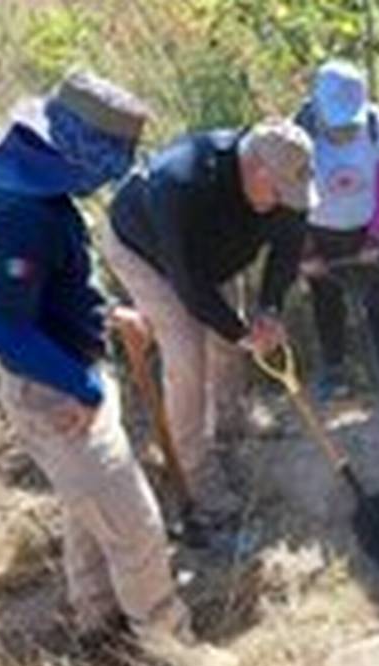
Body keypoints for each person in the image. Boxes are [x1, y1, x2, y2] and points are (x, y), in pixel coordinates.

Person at [0, 71, 236, 666]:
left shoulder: (25, 184)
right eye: (110, 162)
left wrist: (106, 316)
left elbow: (43, 293)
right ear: (76, 150)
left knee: (89, 511)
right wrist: (82, 386)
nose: (113, 177)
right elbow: (6, 331)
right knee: (135, 527)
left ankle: (96, 619)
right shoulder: (17, 215)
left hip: (69, 368)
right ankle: (171, 649)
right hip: (57, 394)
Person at [105, 117, 315, 530]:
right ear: (255, 169)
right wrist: (241, 332)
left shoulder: (285, 176)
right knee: (187, 354)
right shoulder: (181, 183)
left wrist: (268, 310)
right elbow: (188, 283)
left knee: (228, 342)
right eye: (279, 194)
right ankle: (196, 476)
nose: (287, 203)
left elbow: (287, 250)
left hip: (212, 254)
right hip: (147, 252)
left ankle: (230, 421)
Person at [294, 59, 379, 434]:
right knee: (325, 305)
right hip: (318, 231)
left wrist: (376, 238)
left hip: (366, 230)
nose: (344, 130)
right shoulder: (299, 131)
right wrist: (306, 252)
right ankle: (334, 372)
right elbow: (292, 196)